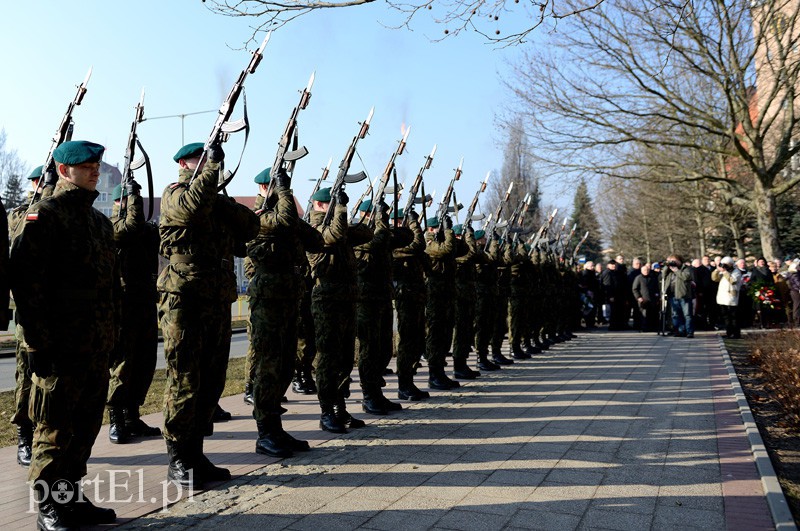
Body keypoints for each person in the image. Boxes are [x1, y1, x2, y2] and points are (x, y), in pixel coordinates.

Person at [10, 141, 118, 529]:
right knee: (54, 429)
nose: (94, 170)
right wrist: (37, 342)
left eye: (96, 165)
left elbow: (109, 287)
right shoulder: (46, 215)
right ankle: (48, 507)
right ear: (62, 169)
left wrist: (113, 334)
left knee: (85, 426)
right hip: (59, 344)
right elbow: (25, 285)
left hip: (95, 343)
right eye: (85, 165)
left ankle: (70, 498)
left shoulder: (100, 223)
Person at [158, 142, 260, 487]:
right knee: (185, 379)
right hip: (184, 299)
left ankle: (196, 452)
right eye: (203, 160)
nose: (211, 164)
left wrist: (220, 196)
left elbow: (250, 228)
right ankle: (178, 457)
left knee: (212, 380)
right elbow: (188, 210)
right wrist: (210, 176)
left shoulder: (213, 199)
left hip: (216, 298)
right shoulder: (176, 193)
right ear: (186, 163)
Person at [247, 167, 324, 457]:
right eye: (278, 186)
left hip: (289, 295)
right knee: (269, 365)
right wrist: (285, 194)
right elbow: (283, 220)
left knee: (284, 363)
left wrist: (294, 219)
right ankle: (264, 432)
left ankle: (276, 428)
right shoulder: (258, 216)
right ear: (268, 187)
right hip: (268, 296)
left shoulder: (284, 218)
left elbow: (317, 240)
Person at [306, 186, 374, 432]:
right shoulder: (313, 228)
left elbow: (367, 233)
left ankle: (340, 407)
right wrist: (342, 209)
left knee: (345, 357)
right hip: (326, 301)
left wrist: (346, 212)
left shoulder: (340, 225)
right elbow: (333, 235)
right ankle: (326, 411)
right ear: (322, 205)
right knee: (327, 359)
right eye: (333, 205)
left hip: (346, 299)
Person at [106, 181, 161, 444]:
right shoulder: (111, 227)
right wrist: (133, 199)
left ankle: (133, 416)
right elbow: (130, 229)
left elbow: (146, 232)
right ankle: (116, 418)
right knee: (123, 363)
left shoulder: (146, 230)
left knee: (144, 361)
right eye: (127, 201)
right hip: (123, 303)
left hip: (145, 299)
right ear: (119, 204)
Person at [353, 198, 411, 414]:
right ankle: (369, 395)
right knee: (369, 350)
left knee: (385, 348)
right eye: (378, 215)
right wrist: (381, 221)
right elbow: (378, 240)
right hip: (365, 299)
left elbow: (409, 237)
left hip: (383, 297)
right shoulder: (359, 233)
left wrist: (391, 221)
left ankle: (377, 392)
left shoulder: (382, 233)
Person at [8, 166, 41, 467]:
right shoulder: (23, 212)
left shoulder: (63, 211)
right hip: (29, 309)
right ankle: (24, 436)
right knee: (27, 376)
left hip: (60, 310)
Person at [391, 207, 432, 400]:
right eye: (401, 221)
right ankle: (403, 385)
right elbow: (417, 244)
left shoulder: (408, 241)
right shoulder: (395, 240)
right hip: (405, 297)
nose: (404, 224)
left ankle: (410, 381)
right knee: (407, 341)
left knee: (417, 340)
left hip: (416, 296)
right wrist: (415, 224)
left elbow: (424, 258)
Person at [424, 215, 466, 389]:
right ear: (431, 229)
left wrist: (458, 234)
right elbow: (447, 250)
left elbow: (462, 250)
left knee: (445, 335)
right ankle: (434, 374)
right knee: (436, 336)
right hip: (435, 296)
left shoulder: (442, 241)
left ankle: (440, 372)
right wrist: (448, 231)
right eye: (438, 228)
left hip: (446, 296)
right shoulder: (428, 243)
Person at [664, 254, 695, 337]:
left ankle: (689, 332)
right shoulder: (669, 271)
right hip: (672, 295)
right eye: (671, 261)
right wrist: (667, 266)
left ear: (679, 261)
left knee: (687, 315)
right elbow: (663, 275)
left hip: (684, 296)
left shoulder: (686, 268)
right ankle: (680, 331)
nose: (672, 262)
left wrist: (676, 270)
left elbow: (686, 277)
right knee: (675, 315)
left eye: (674, 261)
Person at [712, 256, 743, 338]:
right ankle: (729, 333)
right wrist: (717, 269)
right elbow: (714, 279)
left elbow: (733, 281)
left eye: (726, 264)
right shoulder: (723, 271)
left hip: (731, 298)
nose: (725, 266)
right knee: (726, 317)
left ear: (731, 264)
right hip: (722, 297)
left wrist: (725, 271)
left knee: (733, 317)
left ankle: (736, 334)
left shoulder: (736, 272)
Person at [631, 263, 660, 332]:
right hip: (643, 300)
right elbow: (635, 289)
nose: (646, 271)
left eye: (647, 270)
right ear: (641, 271)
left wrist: (657, 297)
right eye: (644, 270)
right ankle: (644, 328)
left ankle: (652, 327)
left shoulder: (652, 278)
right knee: (644, 314)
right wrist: (638, 297)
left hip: (652, 299)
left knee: (652, 314)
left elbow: (656, 288)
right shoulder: (638, 278)